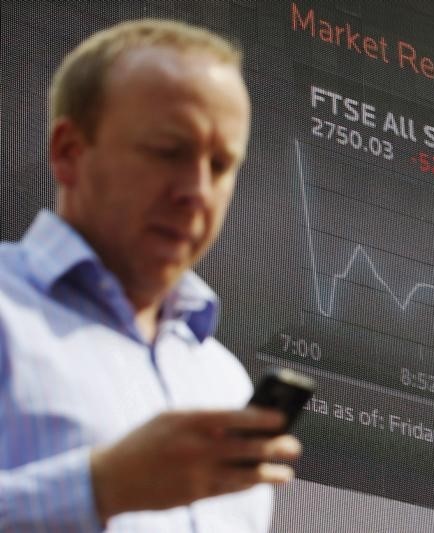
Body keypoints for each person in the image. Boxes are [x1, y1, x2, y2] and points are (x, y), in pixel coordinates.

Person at [0, 19, 301, 532]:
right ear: (69, 152)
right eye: (169, 152)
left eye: (221, 164)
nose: (199, 192)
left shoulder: (224, 382)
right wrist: (102, 487)